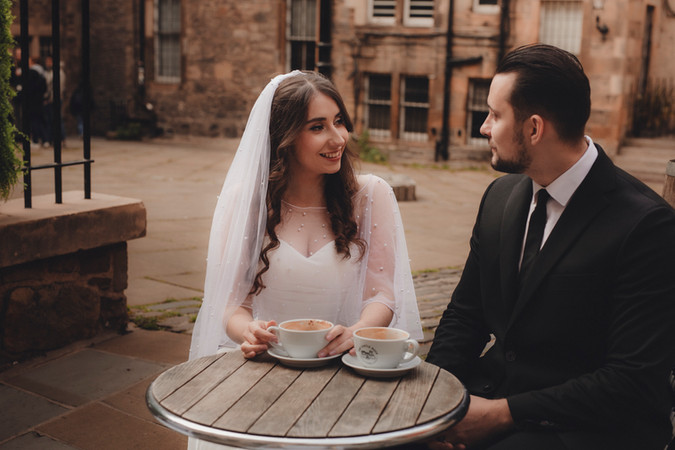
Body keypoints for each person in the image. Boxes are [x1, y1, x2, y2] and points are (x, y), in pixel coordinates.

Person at [425, 44, 675, 450]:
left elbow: (632, 380)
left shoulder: (647, 225)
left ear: (534, 129)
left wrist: (502, 415)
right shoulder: (500, 197)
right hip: (489, 396)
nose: (484, 127)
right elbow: (465, 316)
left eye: (494, 115)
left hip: (585, 429)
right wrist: (429, 407)